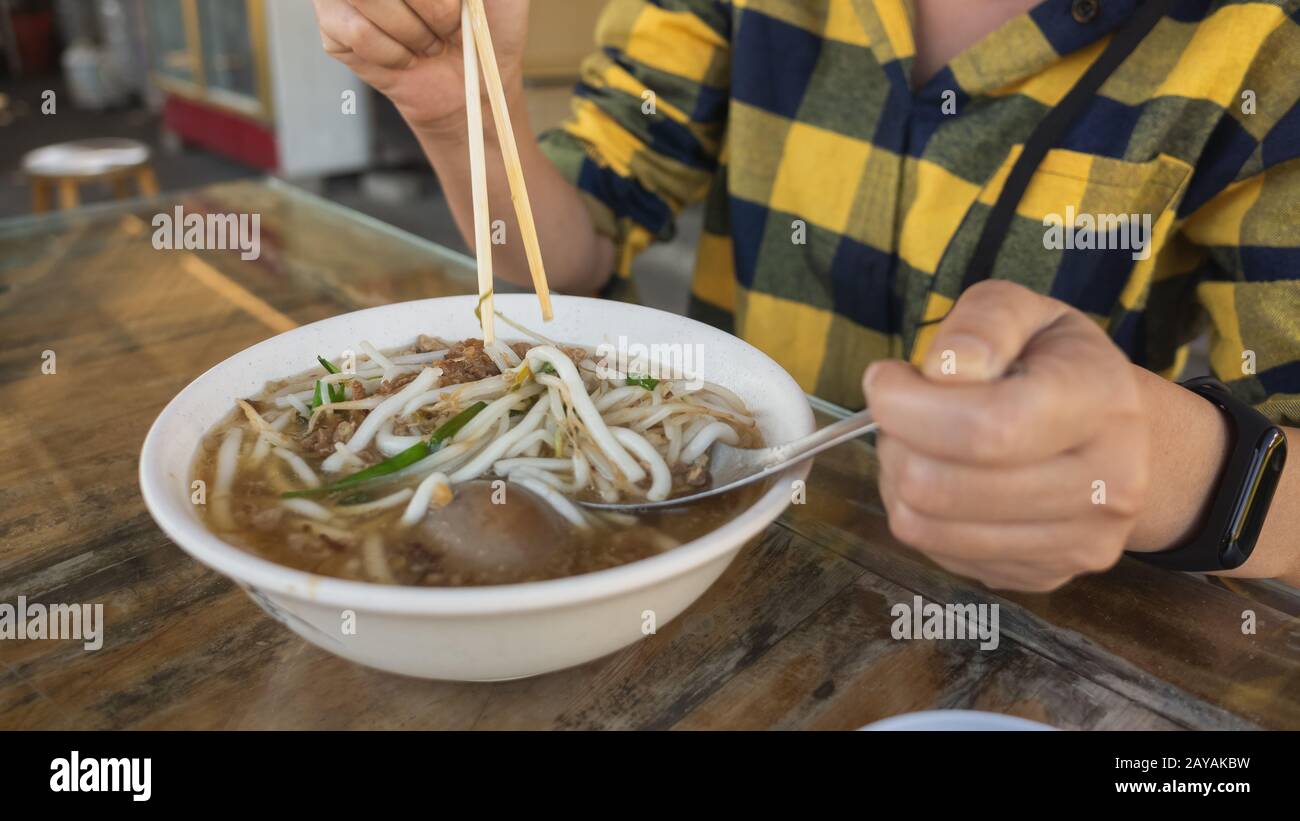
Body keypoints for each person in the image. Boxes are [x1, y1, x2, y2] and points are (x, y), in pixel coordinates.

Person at [310, 0, 1300, 591]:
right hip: (712, 557)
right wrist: (465, 114)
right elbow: (564, 260)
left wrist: (1168, 469)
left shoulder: (1264, 41)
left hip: (1063, 624)